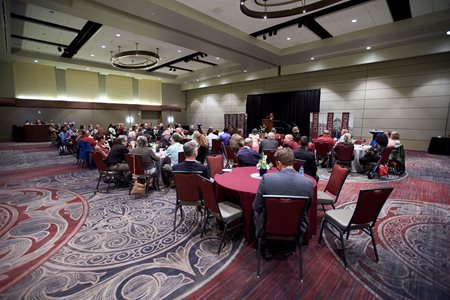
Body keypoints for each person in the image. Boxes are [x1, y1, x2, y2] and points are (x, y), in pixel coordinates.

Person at [252, 148, 313, 246]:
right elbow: (307, 209)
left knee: (255, 210)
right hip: (297, 228)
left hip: (268, 227)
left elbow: (256, 207)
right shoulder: (308, 183)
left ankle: (260, 242)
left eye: (276, 164)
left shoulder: (267, 179)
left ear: (279, 163)